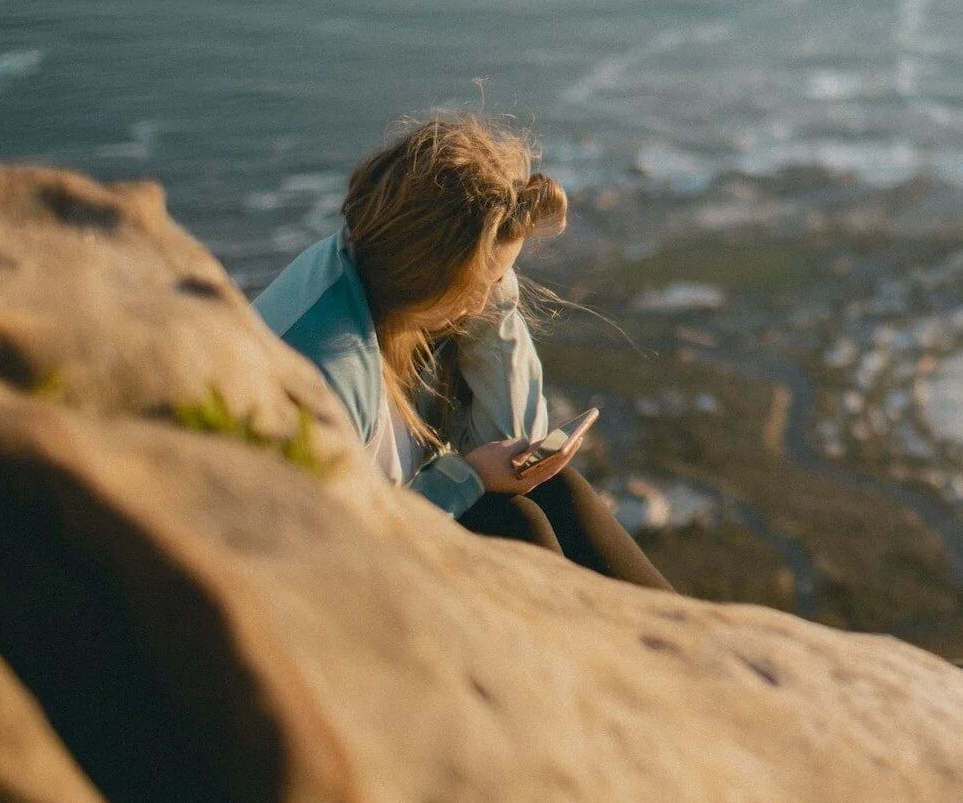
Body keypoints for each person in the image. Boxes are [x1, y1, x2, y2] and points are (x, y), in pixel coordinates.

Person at [252, 114, 671, 591]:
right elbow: (331, 552)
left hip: (386, 544)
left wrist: (492, 299)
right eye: (482, 284)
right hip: (322, 583)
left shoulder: (405, 299)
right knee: (511, 523)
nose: (485, 300)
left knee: (556, 490)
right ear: (432, 273)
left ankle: (684, 648)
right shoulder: (323, 370)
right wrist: (466, 478)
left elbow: (513, 440)